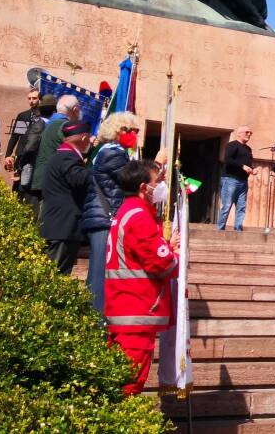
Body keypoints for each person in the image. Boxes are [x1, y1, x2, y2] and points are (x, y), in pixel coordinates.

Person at [105, 159, 180, 396]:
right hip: (135, 305)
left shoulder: (129, 211)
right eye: (157, 182)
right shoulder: (138, 215)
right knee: (130, 381)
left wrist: (166, 246)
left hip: (126, 304)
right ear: (143, 187)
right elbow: (162, 262)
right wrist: (175, 254)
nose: (161, 187)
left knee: (123, 374)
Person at [81, 112, 142, 315]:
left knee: (103, 272)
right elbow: (132, 180)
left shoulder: (114, 152)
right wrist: (157, 165)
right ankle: (95, 321)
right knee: (99, 273)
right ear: (118, 131)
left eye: (136, 131)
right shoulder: (112, 153)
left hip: (104, 218)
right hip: (103, 219)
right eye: (131, 130)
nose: (134, 134)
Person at [39, 121, 93, 275]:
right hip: (63, 229)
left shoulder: (61, 156)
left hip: (59, 227)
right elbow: (81, 179)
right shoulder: (67, 158)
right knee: (55, 277)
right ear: (84, 138)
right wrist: (101, 170)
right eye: (88, 138)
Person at [30, 94, 82, 195]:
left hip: (43, 180)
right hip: (54, 183)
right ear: (75, 109)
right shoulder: (64, 126)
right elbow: (77, 152)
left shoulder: (50, 123)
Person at [17, 95, 58, 217]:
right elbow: (29, 147)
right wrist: (21, 164)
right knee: (31, 206)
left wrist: (20, 162)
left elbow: (28, 147)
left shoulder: (45, 124)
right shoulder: (42, 125)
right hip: (34, 170)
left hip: (37, 170)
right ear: (54, 110)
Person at [217, 125, 257, 231]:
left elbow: (247, 163)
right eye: (247, 132)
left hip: (243, 180)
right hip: (230, 179)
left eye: (250, 133)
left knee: (241, 206)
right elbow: (228, 160)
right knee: (227, 205)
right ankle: (220, 228)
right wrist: (243, 166)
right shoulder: (232, 145)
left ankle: (238, 228)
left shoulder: (248, 149)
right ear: (239, 133)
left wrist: (252, 169)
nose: (249, 134)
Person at [3, 89, 42, 188]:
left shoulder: (44, 117)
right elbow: (15, 136)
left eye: (34, 98)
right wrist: (8, 154)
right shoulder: (24, 116)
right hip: (21, 154)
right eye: (29, 98)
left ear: (40, 99)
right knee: (17, 186)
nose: (31, 101)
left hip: (36, 155)